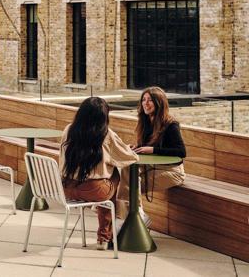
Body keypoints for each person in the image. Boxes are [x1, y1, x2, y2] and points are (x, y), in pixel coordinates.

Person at [60, 97, 138, 250]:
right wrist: (131, 149)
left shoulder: (68, 129)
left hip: (66, 189)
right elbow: (128, 157)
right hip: (94, 191)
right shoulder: (106, 134)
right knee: (113, 175)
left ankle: (106, 233)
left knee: (105, 182)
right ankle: (104, 237)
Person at [118, 86, 186, 224]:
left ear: (159, 102)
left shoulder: (171, 125)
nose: (145, 103)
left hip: (172, 171)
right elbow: (147, 146)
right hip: (152, 167)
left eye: (150, 100)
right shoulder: (146, 122)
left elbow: (181, 152)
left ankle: (131, 220)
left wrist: (153, 150)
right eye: (144, 100)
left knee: (127, 187)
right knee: (126, 171)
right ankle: (136, 216)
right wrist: (136, 147)